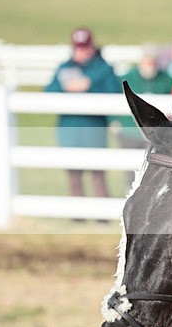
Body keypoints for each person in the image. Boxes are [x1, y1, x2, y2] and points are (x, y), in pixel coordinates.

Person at [44, 27, 120, 201]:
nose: (82, 51)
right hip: (70, 128)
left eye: (85, 47)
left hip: (93, 127)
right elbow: (49, 92)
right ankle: (77, 215)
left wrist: (90, 86)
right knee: (73, 174)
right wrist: (65, 88)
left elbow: (114, 93)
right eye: (78, 47)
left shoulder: (103, 69)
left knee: (97, 173)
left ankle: (102, 213)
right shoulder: (64, 68)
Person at [109, 43, 172, 188]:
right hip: (129, 131)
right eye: (147, 61)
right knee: (130, 172)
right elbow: (114, 100)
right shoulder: (126, 78)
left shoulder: (166, 79)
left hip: (154, 134)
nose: (150, 65)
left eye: (153, 61)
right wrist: (114, 121)